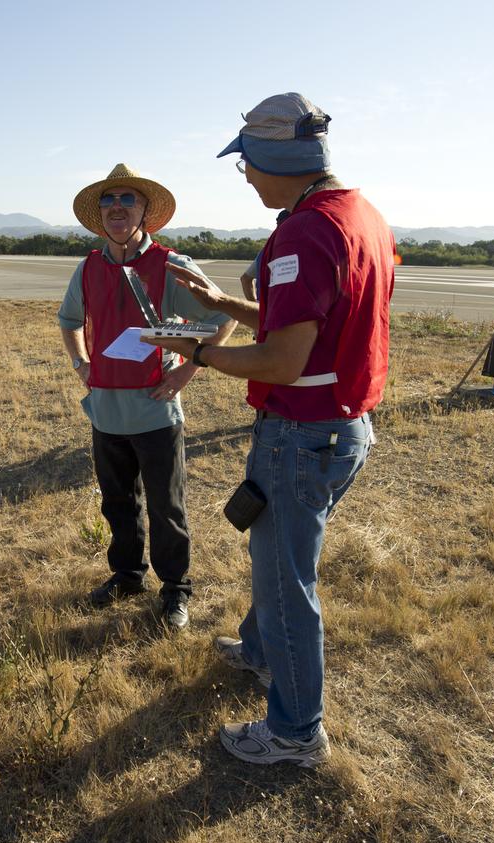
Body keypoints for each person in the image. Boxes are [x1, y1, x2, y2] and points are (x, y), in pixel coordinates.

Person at [144, 94, 395, 766]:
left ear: (279, 157)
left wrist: (195, 349)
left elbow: (284, 357)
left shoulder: (303, 231)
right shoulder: (361, 215)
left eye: (248, 163)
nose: (247, 176)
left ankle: (294, 731)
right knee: (276, 554)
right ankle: (260, 652)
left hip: (301, 432)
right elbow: (310, 324)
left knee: (286, 580)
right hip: (345, 428)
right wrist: (224, 305)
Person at [59, 163, 237, 630]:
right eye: (108, 200)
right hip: (105, 412)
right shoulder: (89, 268)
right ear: (99, 215)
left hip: (156, 412)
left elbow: (223, 319)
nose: (117, 208)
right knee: (117, 503)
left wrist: (187, 373)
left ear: (145, 213)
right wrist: (81, 364)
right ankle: (127, 575)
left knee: (166, 506)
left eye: (127, 200)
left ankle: (176, 589)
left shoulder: (171, 266)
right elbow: (69, 321)